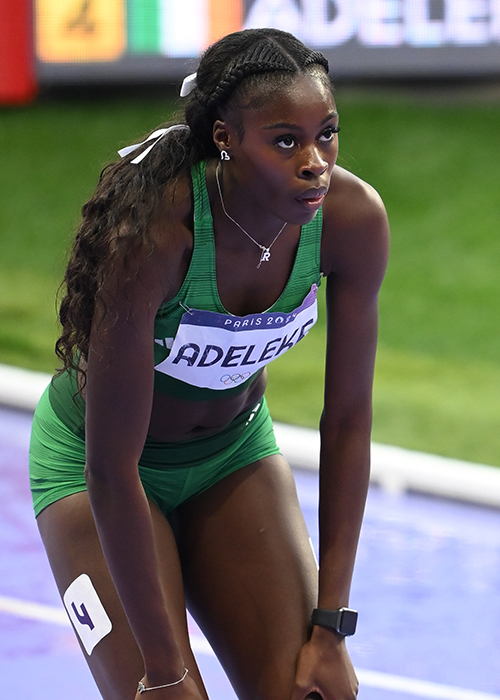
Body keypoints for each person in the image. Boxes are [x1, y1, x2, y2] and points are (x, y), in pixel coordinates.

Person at [29, 27, 389, 700]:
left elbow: (346, 422)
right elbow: (111, 469)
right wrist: (164, 673)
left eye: (328, 133)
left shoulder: (351, 220)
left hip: (233, 456)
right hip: (97, 473)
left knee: (315, 694)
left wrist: (331, 628)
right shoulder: (153, 237)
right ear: (226, 138)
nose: (316, 161)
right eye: (287, 140)